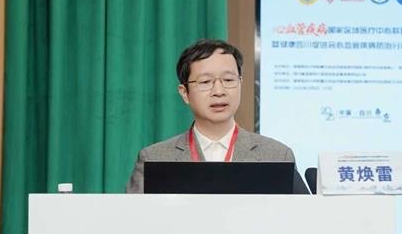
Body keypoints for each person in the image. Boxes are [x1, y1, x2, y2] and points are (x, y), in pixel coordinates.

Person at [125, 39, 308, 193]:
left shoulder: (277, 156)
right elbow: (134, 220)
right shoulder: (154, 159)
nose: (219, 91)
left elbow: (297, 219)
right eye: (206, 82)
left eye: (228, 80)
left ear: (240, 83)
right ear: (184, 93)